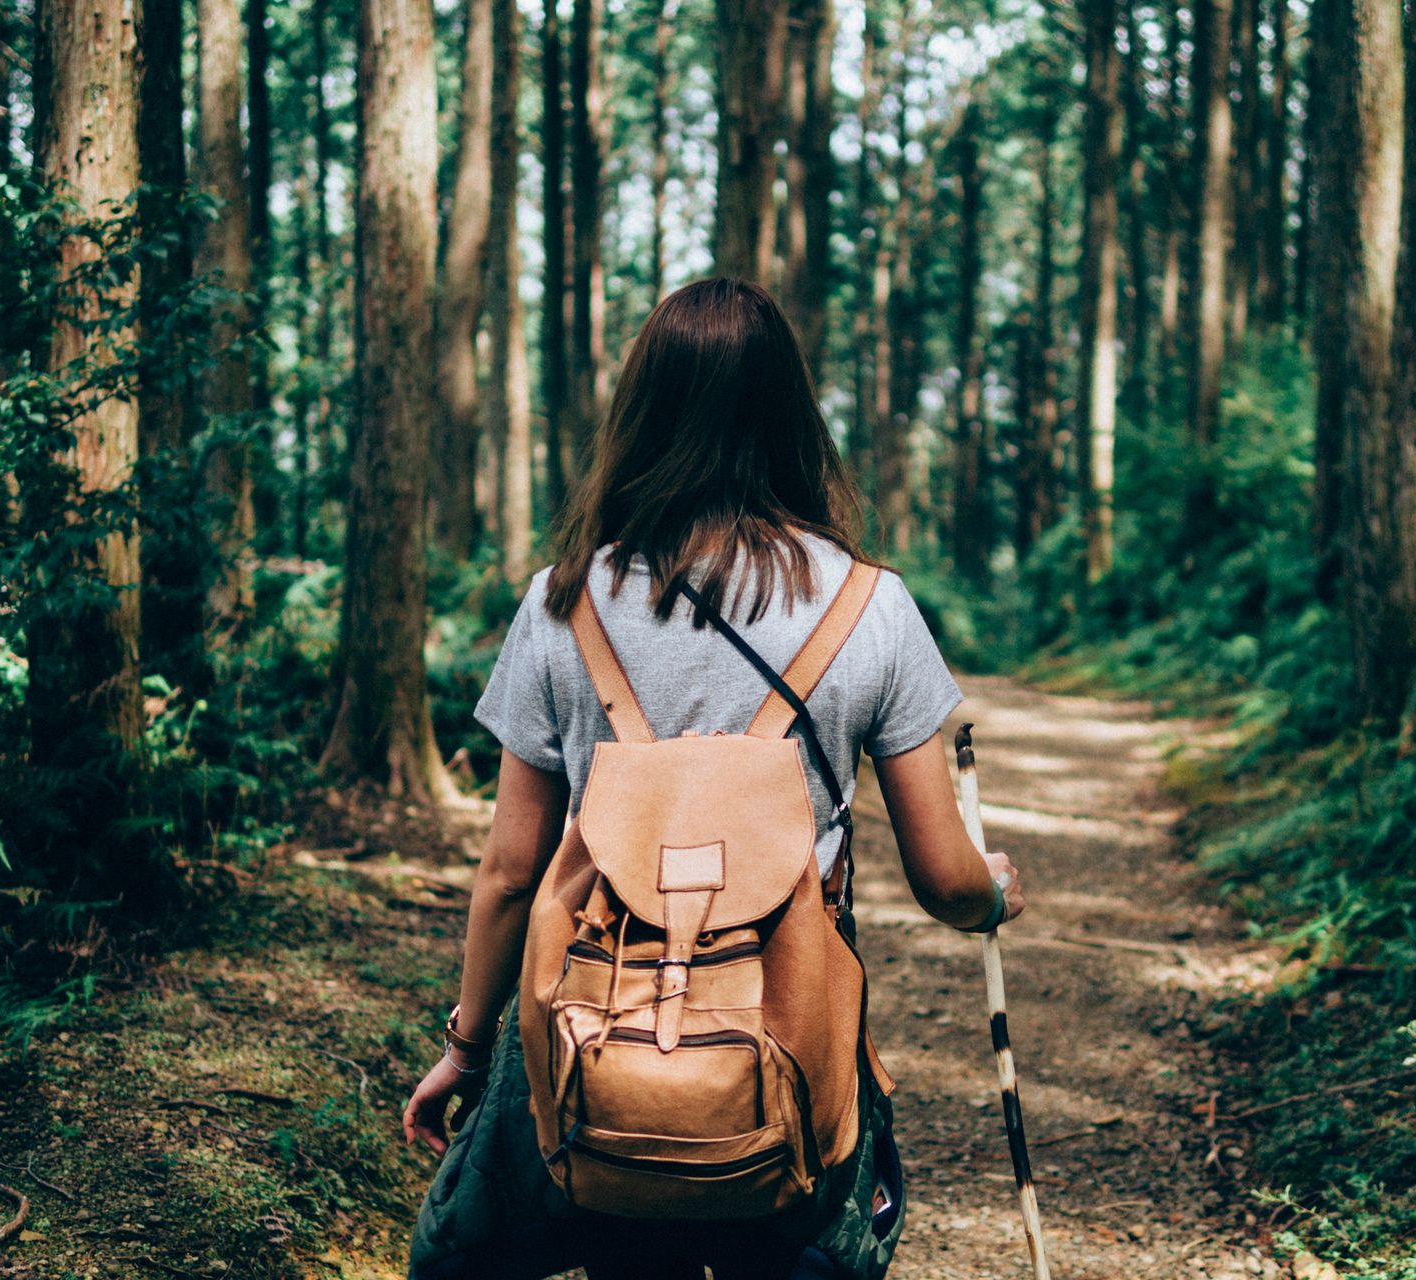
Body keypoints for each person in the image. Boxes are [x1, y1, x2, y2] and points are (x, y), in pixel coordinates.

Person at [401, 277, 1026, 1280]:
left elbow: (511, 874)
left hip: (593, 1041)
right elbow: (948, 880)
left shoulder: (561, 604)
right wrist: (993, 889)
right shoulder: (872, 606)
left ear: (642, 413)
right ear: (790, 415)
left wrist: (466, 1055)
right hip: (790, 1048)